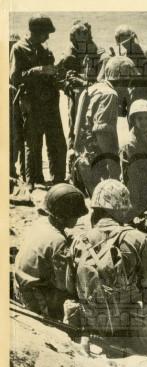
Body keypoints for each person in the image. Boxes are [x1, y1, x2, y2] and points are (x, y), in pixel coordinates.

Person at [66, 179, 147, 354]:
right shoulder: (136, 238)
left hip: (92, 323)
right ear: (122, 210)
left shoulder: (79, 241)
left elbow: (70, 286)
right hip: (129, 327)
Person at [13, 184, 88, 320]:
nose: (77, 219)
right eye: (75, 215)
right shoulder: (57, 241)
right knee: (77, 299)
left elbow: (57, 238)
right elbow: (64, 284)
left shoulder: (41, 222)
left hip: (19, 284)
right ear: (63, 216)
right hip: (33, 296)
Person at [9, 15, 67, 188]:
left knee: (57, 143)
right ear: (36, 31)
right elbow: (15, 78)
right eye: (45, 33)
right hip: (32, 104)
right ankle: (33, 181)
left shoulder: (45, 50)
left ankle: (58, 180)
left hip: (50, 103)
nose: (47, 37)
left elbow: (53, 76)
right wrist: (37, 71)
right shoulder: (19, 49)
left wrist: (59, 73)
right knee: (33, 144)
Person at [72, 56, 138, 197]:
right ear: (122, 80)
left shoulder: (94, 88)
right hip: (96, 162)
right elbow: (102, 133)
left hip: (84, 158)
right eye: (129, 81)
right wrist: (114, 166)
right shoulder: (110, 95)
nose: (129, 86)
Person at [109, 25, 147, 144]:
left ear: (134, 38)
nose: (127, 45)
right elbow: (121, 84)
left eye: (129, 42)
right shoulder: (123, 58)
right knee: (135, 138)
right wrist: (122, 105)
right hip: (133, 104)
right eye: (123, 44)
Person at [57, 20, 102, 153]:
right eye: (80, 34)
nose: (84, 36)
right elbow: (63, 74)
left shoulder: (92, 47)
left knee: (90, 123)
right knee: (75, 123)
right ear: (74, 36)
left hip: (91, 90)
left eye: (86, 33)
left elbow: (98, 65)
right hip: (76, 92)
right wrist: (77, 82)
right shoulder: (69, 52)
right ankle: (73, 153)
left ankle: (90, 152)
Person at [9, 33, 25, 187]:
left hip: (17, 102)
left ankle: (14, 169)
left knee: (17, 137)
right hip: (10, 101)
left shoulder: (17, 58)